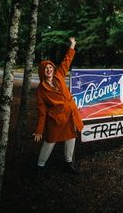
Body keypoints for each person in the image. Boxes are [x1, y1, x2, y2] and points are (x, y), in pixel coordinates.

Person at [33, 37, 83, 175]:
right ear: (42, 72)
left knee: (71, 138)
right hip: (56, 119)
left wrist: (72, 45)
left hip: (70, 114)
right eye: (46, 68)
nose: (49, 69)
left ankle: (68, 163)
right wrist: (39, 130)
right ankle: (40, 166)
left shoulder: (59, 75)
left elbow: (66, 61)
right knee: (50, 141)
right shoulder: (41, 90)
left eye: (50, 67)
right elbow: (42, 112)